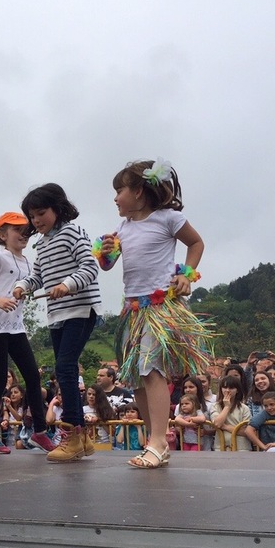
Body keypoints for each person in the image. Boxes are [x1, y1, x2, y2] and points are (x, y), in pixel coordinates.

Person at [95, 158, 213, 469]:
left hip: (160, 309)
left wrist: (186, 275)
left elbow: (196, 243)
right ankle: (154, 439)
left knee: (150, 370)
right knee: (136, 377)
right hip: (133, 311)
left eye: (119, 191)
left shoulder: (168, 219)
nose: (115, 198)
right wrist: (105, 254)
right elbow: (107, 265)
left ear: (138, 191)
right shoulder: (123, 228)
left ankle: (160, 440)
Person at [13, 183, 101, 463]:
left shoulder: (73, 232)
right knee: (65, 370)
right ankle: (82, 438)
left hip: (80, 309)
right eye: (32, 216)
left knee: (64, 368)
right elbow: (38, 276)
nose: (36, 220)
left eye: (41, 213)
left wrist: (67, 284)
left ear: (58, 209)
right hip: (57, 315)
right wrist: (22, 286)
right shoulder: (41, 243)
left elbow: (90, 267)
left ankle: (72, 433)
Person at [0, 212, 56, 454]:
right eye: (17, 230)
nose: (24, 235)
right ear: (3, 234)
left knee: (32, 376)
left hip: (16, 326)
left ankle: (39, 432)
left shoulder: (27, 262)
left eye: (26, 231)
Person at [209, 375, 253, 451]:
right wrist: (227, 407)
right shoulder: (215, 406)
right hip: (221, 448)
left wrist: (225, 427)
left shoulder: (244, 408)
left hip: (242, 449)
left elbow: (246, 431)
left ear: (237, 390)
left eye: (231, 388)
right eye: (225, 387)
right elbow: (217, 424)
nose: (227, 390)